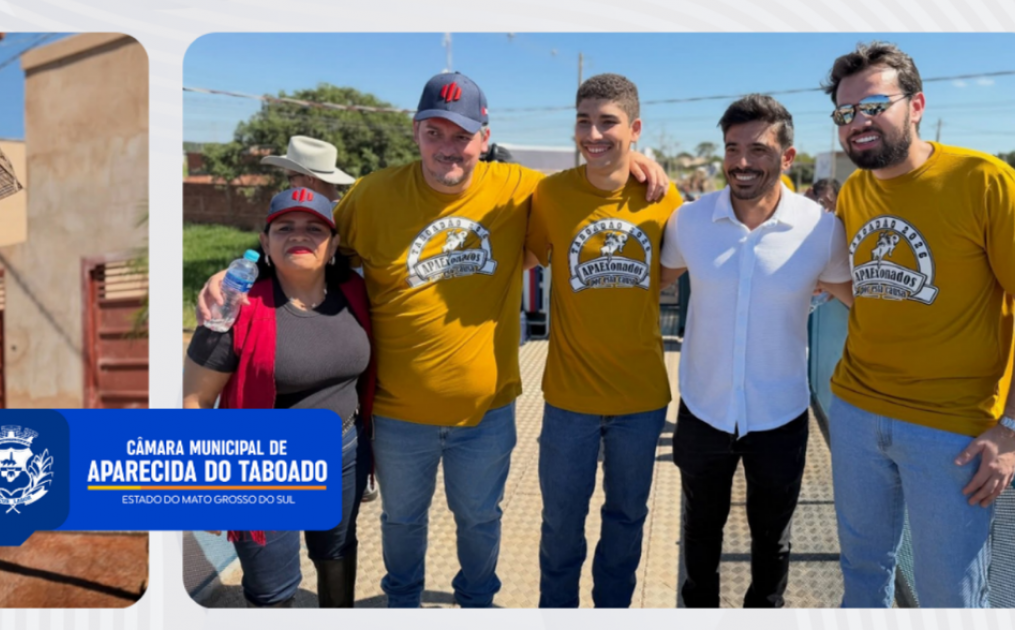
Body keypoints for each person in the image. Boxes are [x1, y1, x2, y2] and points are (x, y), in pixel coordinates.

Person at [197, 70, 667, 607]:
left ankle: (476, 604)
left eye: (462, 135)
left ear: (483, 140)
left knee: (481, 522)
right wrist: (239, 277)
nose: (449, 148)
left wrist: (636, 160)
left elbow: (592, 177)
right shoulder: (373, 196)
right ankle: (402, 606)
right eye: (435, 132)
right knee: (401, 523)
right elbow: (304, 247)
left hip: (486, 414)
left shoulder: (520, 189)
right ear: (415, 131)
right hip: (399, 417)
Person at [822, 43, 1015, 609]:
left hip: (954, 432)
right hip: (854, 411)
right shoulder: (853, 190)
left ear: (916, 104)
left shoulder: (986, 181)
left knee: (950, 595)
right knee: (863, 574)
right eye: (845, 114)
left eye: (874, 105)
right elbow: (863, 289)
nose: (858, 124)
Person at [661, 95, 852, 608]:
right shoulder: (688, 222)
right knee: (699, 537)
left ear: (787, 157)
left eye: (758, 149)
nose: (742, 162)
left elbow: (863, 303)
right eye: (732, 148)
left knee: (774, 542)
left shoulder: (822, 230)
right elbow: (651, 282)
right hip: (704, 411)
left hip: (781, 415)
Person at [526, 74, 683, 607]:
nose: (594, 133)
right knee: (560, 527)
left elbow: (667, 275)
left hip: (641, 401)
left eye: (608, 121)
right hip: (568, 401)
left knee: (626, 524)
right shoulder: (550, 194)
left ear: (635, 129)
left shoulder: (664, 197)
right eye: (583, 121)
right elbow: (523, 250)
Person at [184, 187, 375, 608]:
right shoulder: (232, 309)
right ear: (265, 242)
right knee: (273, 590)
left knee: (337, 555)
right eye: (284, 227)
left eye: (314, 227)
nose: (299, 235)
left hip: (343, 449)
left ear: (334, 243)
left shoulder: (355, 292)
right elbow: (195, 401)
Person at [259, 135, 357, 202]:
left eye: (290, 178)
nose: (290, 185)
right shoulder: (346, 210)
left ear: (310, 179)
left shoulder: (325, 218)